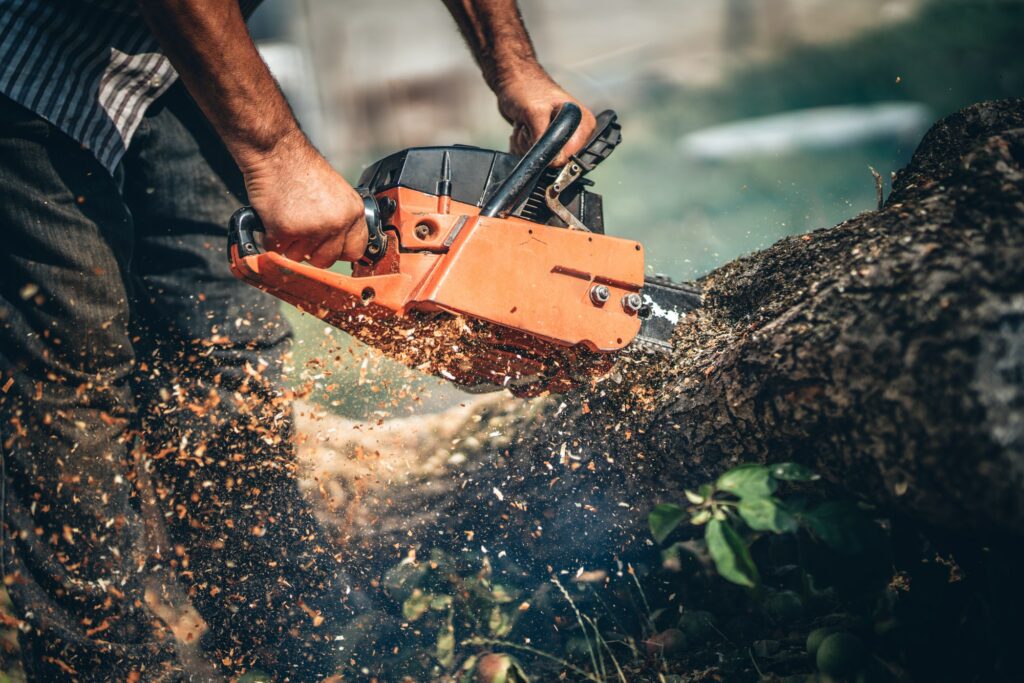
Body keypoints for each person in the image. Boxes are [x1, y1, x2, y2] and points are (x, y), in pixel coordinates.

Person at [0, 0, 596, 679]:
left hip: (169, 62)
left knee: (226, 344)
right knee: (74, 371)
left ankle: (290, 637)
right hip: (29, 55)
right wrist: (276, 152)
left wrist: (513, 66)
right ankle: (103, 664)